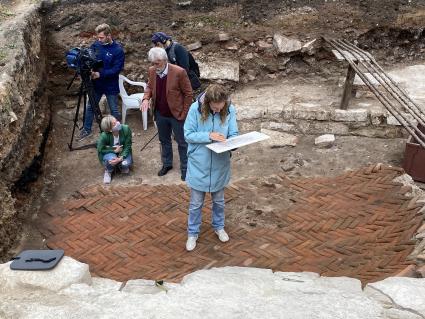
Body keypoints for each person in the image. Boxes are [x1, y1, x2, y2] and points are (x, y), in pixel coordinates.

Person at [183, 84, 238, 251]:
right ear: (208, 103)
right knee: (196, 203)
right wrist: (209, 136)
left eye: (220, 108)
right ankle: (192, 233)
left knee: (219, 201)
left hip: (220, 164)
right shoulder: (194, 109)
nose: (217, 111)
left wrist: (233, 143)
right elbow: (188, 134)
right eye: (214, 108)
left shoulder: (230, 109)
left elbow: (233, 133)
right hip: (199, 163)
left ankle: (219, 227)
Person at [140, 47, 193, 181]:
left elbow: (188, 94)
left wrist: (184, 113)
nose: (154, 66)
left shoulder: (179, 72)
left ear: (164, 60)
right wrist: (146, 98)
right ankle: (167, 164)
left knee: (182, 142)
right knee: (164, 141)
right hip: (160, 113)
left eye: (157, 63)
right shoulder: (152, 71)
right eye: (152, 63)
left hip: (177, 114)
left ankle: (185, 168)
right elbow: (149, 87)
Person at [79, 23, 125, 140]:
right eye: (98, 37)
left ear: (109, 35)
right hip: (97, 84)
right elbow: (90, 59)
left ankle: (117, 132)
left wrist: (100, 74)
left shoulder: (118, 50)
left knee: (114, 110)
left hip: (111, 85)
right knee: (90, 107)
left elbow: (116, 69)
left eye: (101, 37)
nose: (99, 40)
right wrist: (90, 70)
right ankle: (87, 129)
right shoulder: (96, 45)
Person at [97, 115, 132, 184]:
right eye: (114, 124)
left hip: (123, 152)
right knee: (111, 159)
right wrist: (113, 150)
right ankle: (109, 170)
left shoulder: (126, 129)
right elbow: (100, 149)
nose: (118, 123)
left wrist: (121, 157)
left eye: (116, 121)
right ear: (110, 129)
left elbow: (128, 145)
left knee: (125, 164)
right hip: (110, 153)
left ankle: (120, 165)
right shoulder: (104, 136)